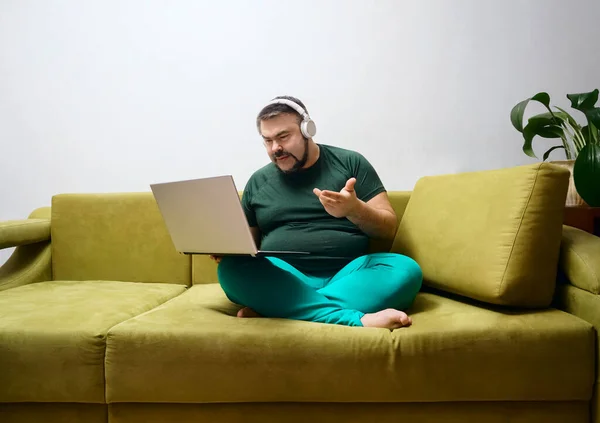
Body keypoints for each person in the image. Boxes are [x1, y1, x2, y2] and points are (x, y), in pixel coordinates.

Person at [212, 95, 422, 329]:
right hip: (284, 276)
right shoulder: (258, 181)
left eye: (283, 137)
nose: (276, 148)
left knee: (405, 268)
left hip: (350, 275)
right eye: (268, 140)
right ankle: (353, 318)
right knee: (231, 269)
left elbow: (388, 230)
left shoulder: (350, 162)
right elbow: (248, 248)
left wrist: (354, 209)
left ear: (307, 129)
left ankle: (281, 307)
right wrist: (228, 249)